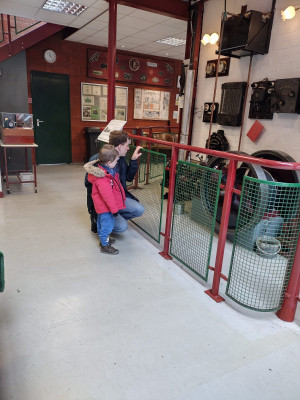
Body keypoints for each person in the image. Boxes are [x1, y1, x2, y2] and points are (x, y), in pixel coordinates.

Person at [85, 130, 144, 234]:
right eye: (127, 145)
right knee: (122, 227)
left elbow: (129, 178)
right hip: (103, 203)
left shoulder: (120, 159)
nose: (128, 148)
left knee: (139, 209)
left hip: (117, 198)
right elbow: (88, 185)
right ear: (120, 146)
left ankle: (114, 218)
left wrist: (133, 160)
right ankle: (101, 222)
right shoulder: (98, 159)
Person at [84, 144, 125, 255]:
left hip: (102, 206)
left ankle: (104, 240)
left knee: (102, 223)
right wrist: (114, 209)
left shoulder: (105, 171)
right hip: (106, 207)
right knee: (107, 225)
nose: (117, 163)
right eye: (116, 161)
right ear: (109, 162)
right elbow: (108, 196)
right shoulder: (103, 178)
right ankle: (104, 245)